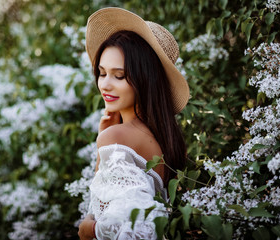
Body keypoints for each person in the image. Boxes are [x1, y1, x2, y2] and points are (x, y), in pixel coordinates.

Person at [78, 7, 189, 240]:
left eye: (119, 76)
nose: (105, 85)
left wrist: (89, 231)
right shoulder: (164, 139)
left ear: (145, 79)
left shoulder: (117, 138)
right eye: (101, 72)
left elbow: (136, 228)